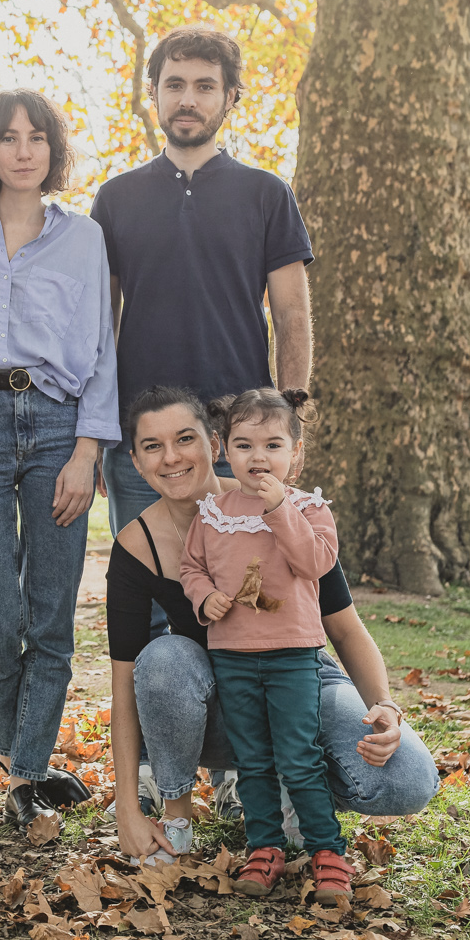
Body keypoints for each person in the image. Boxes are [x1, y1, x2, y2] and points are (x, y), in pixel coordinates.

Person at [104, 386, 440, 872]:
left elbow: (345, 629)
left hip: (299, 672)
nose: (172, 457)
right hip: (218, 691)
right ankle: (178, 816)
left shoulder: (285, 506)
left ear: (213, 445)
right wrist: (128, 810)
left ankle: (290, 788)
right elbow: (124, 686)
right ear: (135, 461)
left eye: (185, 439)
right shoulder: (135, 547)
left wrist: (383, 704)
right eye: (152, 446)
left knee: (404, 780)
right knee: (165, 657)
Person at [0, 90, 118, 831]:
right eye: (7, 138)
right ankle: (26, 763)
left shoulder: (85, 237)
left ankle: (25, 774)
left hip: (56, 425)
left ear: (52, 149)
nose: (22, 150)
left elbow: (103, 346)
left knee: (50, 613)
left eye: (36, 137)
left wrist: (86, 449)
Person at [90, 25, 312, 537]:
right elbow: (100, 325)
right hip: (141, 440)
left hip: (240, 439)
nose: (187, 100)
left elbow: (292, 317)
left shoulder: (266, 194)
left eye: (204, 86)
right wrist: (98, 431)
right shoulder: (115, 199)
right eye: (174, 85)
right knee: (146, 599)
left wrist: (289, 419)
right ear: (154, 94)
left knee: (236, 602)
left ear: (229, 97)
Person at [177, 387, 352, 906]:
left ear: (295, 454)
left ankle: (328, 852)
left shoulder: (310, 510)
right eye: (245, 444)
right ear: (222, 449)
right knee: (251, 759)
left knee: (298, 757)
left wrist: (279, 508)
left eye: (273, 445)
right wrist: (204, 595)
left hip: (292, 655)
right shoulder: (212, 513)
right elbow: (192, 567)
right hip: (231, 655)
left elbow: (313, 564)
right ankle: (265, 846)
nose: (259, 457)